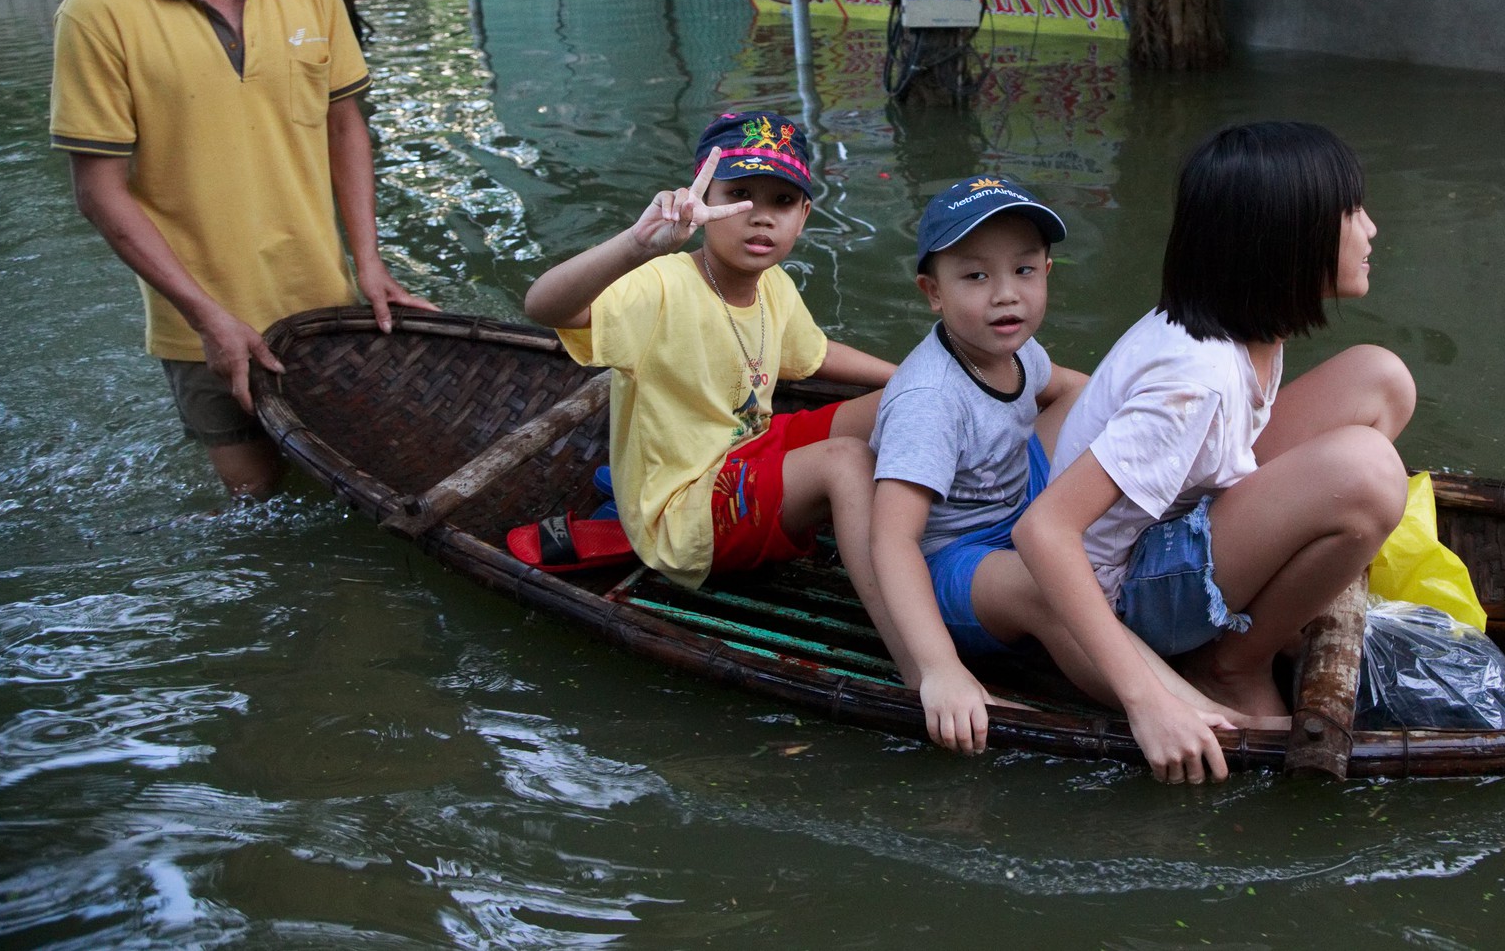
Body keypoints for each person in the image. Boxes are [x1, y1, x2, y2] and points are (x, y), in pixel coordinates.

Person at [49, 0, 432, 498]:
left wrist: (369, 262)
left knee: (360, 493)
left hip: (324, 304)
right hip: (200, 328)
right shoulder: (95, 14)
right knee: (258, 505)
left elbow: (344, 123)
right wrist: (207, 316)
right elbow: (99, 192)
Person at [1013, 121, 1416, 783]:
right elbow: (1045, 530)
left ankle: (1255, 622)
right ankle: (1231, 664)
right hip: (1125, 595)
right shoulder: (1193, 378)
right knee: (1370, 474)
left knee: (1381, 379)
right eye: (1351, 213)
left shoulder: (1250, 325)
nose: (1371, 228)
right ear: (1288, 241)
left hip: (1182, 522)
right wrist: (1145, 698)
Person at [869, 176, 1269, 756]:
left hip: (1017, 495)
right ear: (933, 291)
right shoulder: (928, 400)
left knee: (1094, 403)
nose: (1006, 295)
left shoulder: (1016, 350)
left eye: (1024, 271)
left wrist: (1145, 426)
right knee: (1042, 585)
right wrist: (937, 668)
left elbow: (1077, 389)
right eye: (976, 276)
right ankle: (1191, 705)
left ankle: (1092, 549)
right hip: (957, 563)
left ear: (1047, 273)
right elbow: (892, 540)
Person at [522, 112, 897, 603]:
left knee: (907, 400)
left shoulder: (774, 285)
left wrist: (910, 377)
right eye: (738, 196)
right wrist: (636, 246)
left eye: (782, 201)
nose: (761, 216)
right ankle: (918, 654)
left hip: (747, 453)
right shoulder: (661, 283)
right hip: (683, 512)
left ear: (803, 216)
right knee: (845, 461)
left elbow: (814, 353)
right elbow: (545, 307)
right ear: (700, 200)